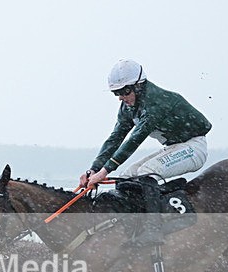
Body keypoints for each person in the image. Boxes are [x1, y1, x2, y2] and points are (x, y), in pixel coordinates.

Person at [79, 59, 212, 245]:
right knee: (126, 177)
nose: (121, 97)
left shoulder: (156, 102)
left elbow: (135, 139)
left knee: (146, 172)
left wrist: (104, 172)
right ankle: (136, 224)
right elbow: (115, 138)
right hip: (174, 147)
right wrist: (94, 169)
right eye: (116, 93)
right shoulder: (128, 107)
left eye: (125, 91)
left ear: (139, 86)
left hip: (194, 147)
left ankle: (153, 229)